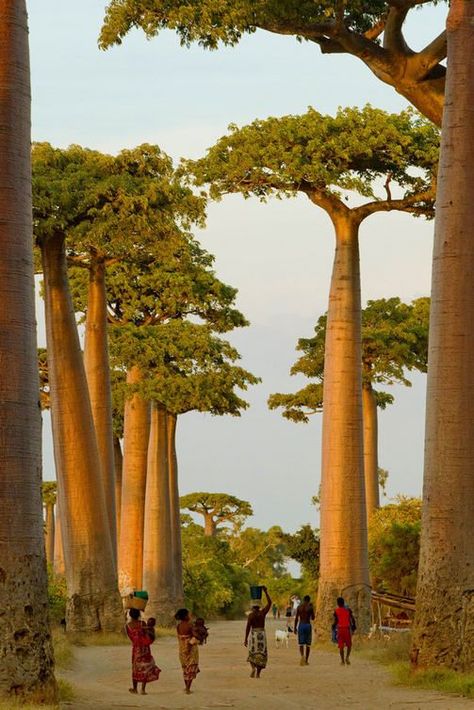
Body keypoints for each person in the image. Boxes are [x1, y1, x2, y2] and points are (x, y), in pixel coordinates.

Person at [125, 608, 161, 695]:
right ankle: (143, 690)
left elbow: (131, 638)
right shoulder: (142, 623)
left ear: (130, 615)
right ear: (138, 615)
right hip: (145, 649)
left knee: (135, 668)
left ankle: (134, 688)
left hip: (136, 650)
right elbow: (148, 635)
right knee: (146, 668)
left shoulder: (128, 626)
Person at [244, 585, 272, 678]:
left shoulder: (251, 615)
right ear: (259, 606)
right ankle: (258, 674)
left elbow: (248, 627)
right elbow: (270, 603)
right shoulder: (262, 613)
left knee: (252, 653)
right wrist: (266, 592)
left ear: (252, 606)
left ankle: (253, 668)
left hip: (253, 635)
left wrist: (245, 639)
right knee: (261, 654)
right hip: (261, 635)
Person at [175, 608, 200, 694]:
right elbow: (194, 636)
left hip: (182, 649)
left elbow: (181, 637)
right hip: (190, 649)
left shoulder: (178, 626)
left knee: (185, 669)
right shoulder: (190, 626)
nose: (190, 616)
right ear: (185, 616)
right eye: (189, 614)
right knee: (191, 668)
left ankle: (186, 687)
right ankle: (188, 688)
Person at [332, 597, 356, 665]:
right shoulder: (348, 610)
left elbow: (336, 621)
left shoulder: (336, 611)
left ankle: (342, 661)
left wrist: (333, 626)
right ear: (343, 602)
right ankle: (347, 658)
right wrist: (354, 627)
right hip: (347, 629)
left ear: (337, 603)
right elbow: (352, 619)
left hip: (340, 629)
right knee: (349, 645)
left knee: (341, 646)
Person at [294, 595, 315, 666]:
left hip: (301, 625)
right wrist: (312, 608)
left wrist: (294, 628)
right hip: (307, 625)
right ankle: (306, 660)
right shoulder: (310, 607)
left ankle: (302, 656)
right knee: (308, 644)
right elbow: (313, 618)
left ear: (303, 600)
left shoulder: (299, 607)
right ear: (309, 600)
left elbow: (296, 618)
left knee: (301, 643)